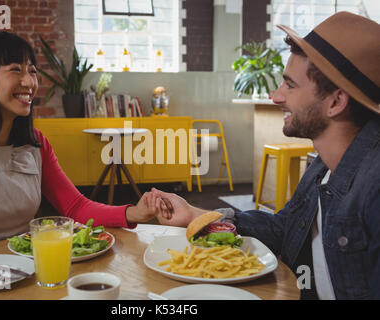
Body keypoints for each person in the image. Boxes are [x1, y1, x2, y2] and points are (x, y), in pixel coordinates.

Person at [153, 12, 380, 300]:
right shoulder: (323, 167)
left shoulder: (374, 187)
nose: (276, 96)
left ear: (335, 101)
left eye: (290, 85)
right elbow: (285, 229)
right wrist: (199, 216)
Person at [0, 31, 166, 272]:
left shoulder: (36, 144)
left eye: (32, 71)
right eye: (16, 70)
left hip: (24, 273)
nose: (30, 82)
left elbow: (75, 207)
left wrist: (134, 212)